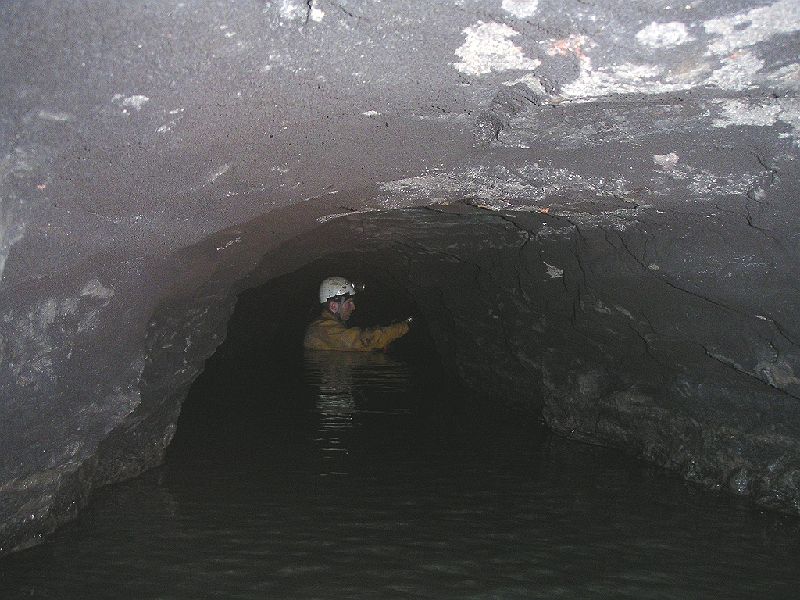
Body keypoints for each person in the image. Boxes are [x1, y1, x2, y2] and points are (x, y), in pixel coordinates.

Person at [303, 276, 412, 352]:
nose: (353, 307)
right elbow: (362, 341)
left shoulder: (329, 325)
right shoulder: (323, 329)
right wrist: (402, 327)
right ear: (333, 306)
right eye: (349, 303)